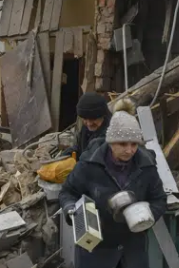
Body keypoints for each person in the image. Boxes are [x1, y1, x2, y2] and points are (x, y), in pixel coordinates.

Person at [59, 111, 167, 268]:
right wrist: (71, 210)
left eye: (134, 144)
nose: (129, 150)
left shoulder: (146, 167)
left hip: (132, 251)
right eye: (123, 144)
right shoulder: (89, 165)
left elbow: (159, 199)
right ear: (110, 142)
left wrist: (147, 216)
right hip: (97, 251)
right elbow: (68, 192)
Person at [64, 93, 112, 159]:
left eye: (93, 119)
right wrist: (67, 154)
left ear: (103, 116)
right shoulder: (85, 129)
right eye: (85, 119)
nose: (89, 124)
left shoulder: (110, 136)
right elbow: (80, 148)